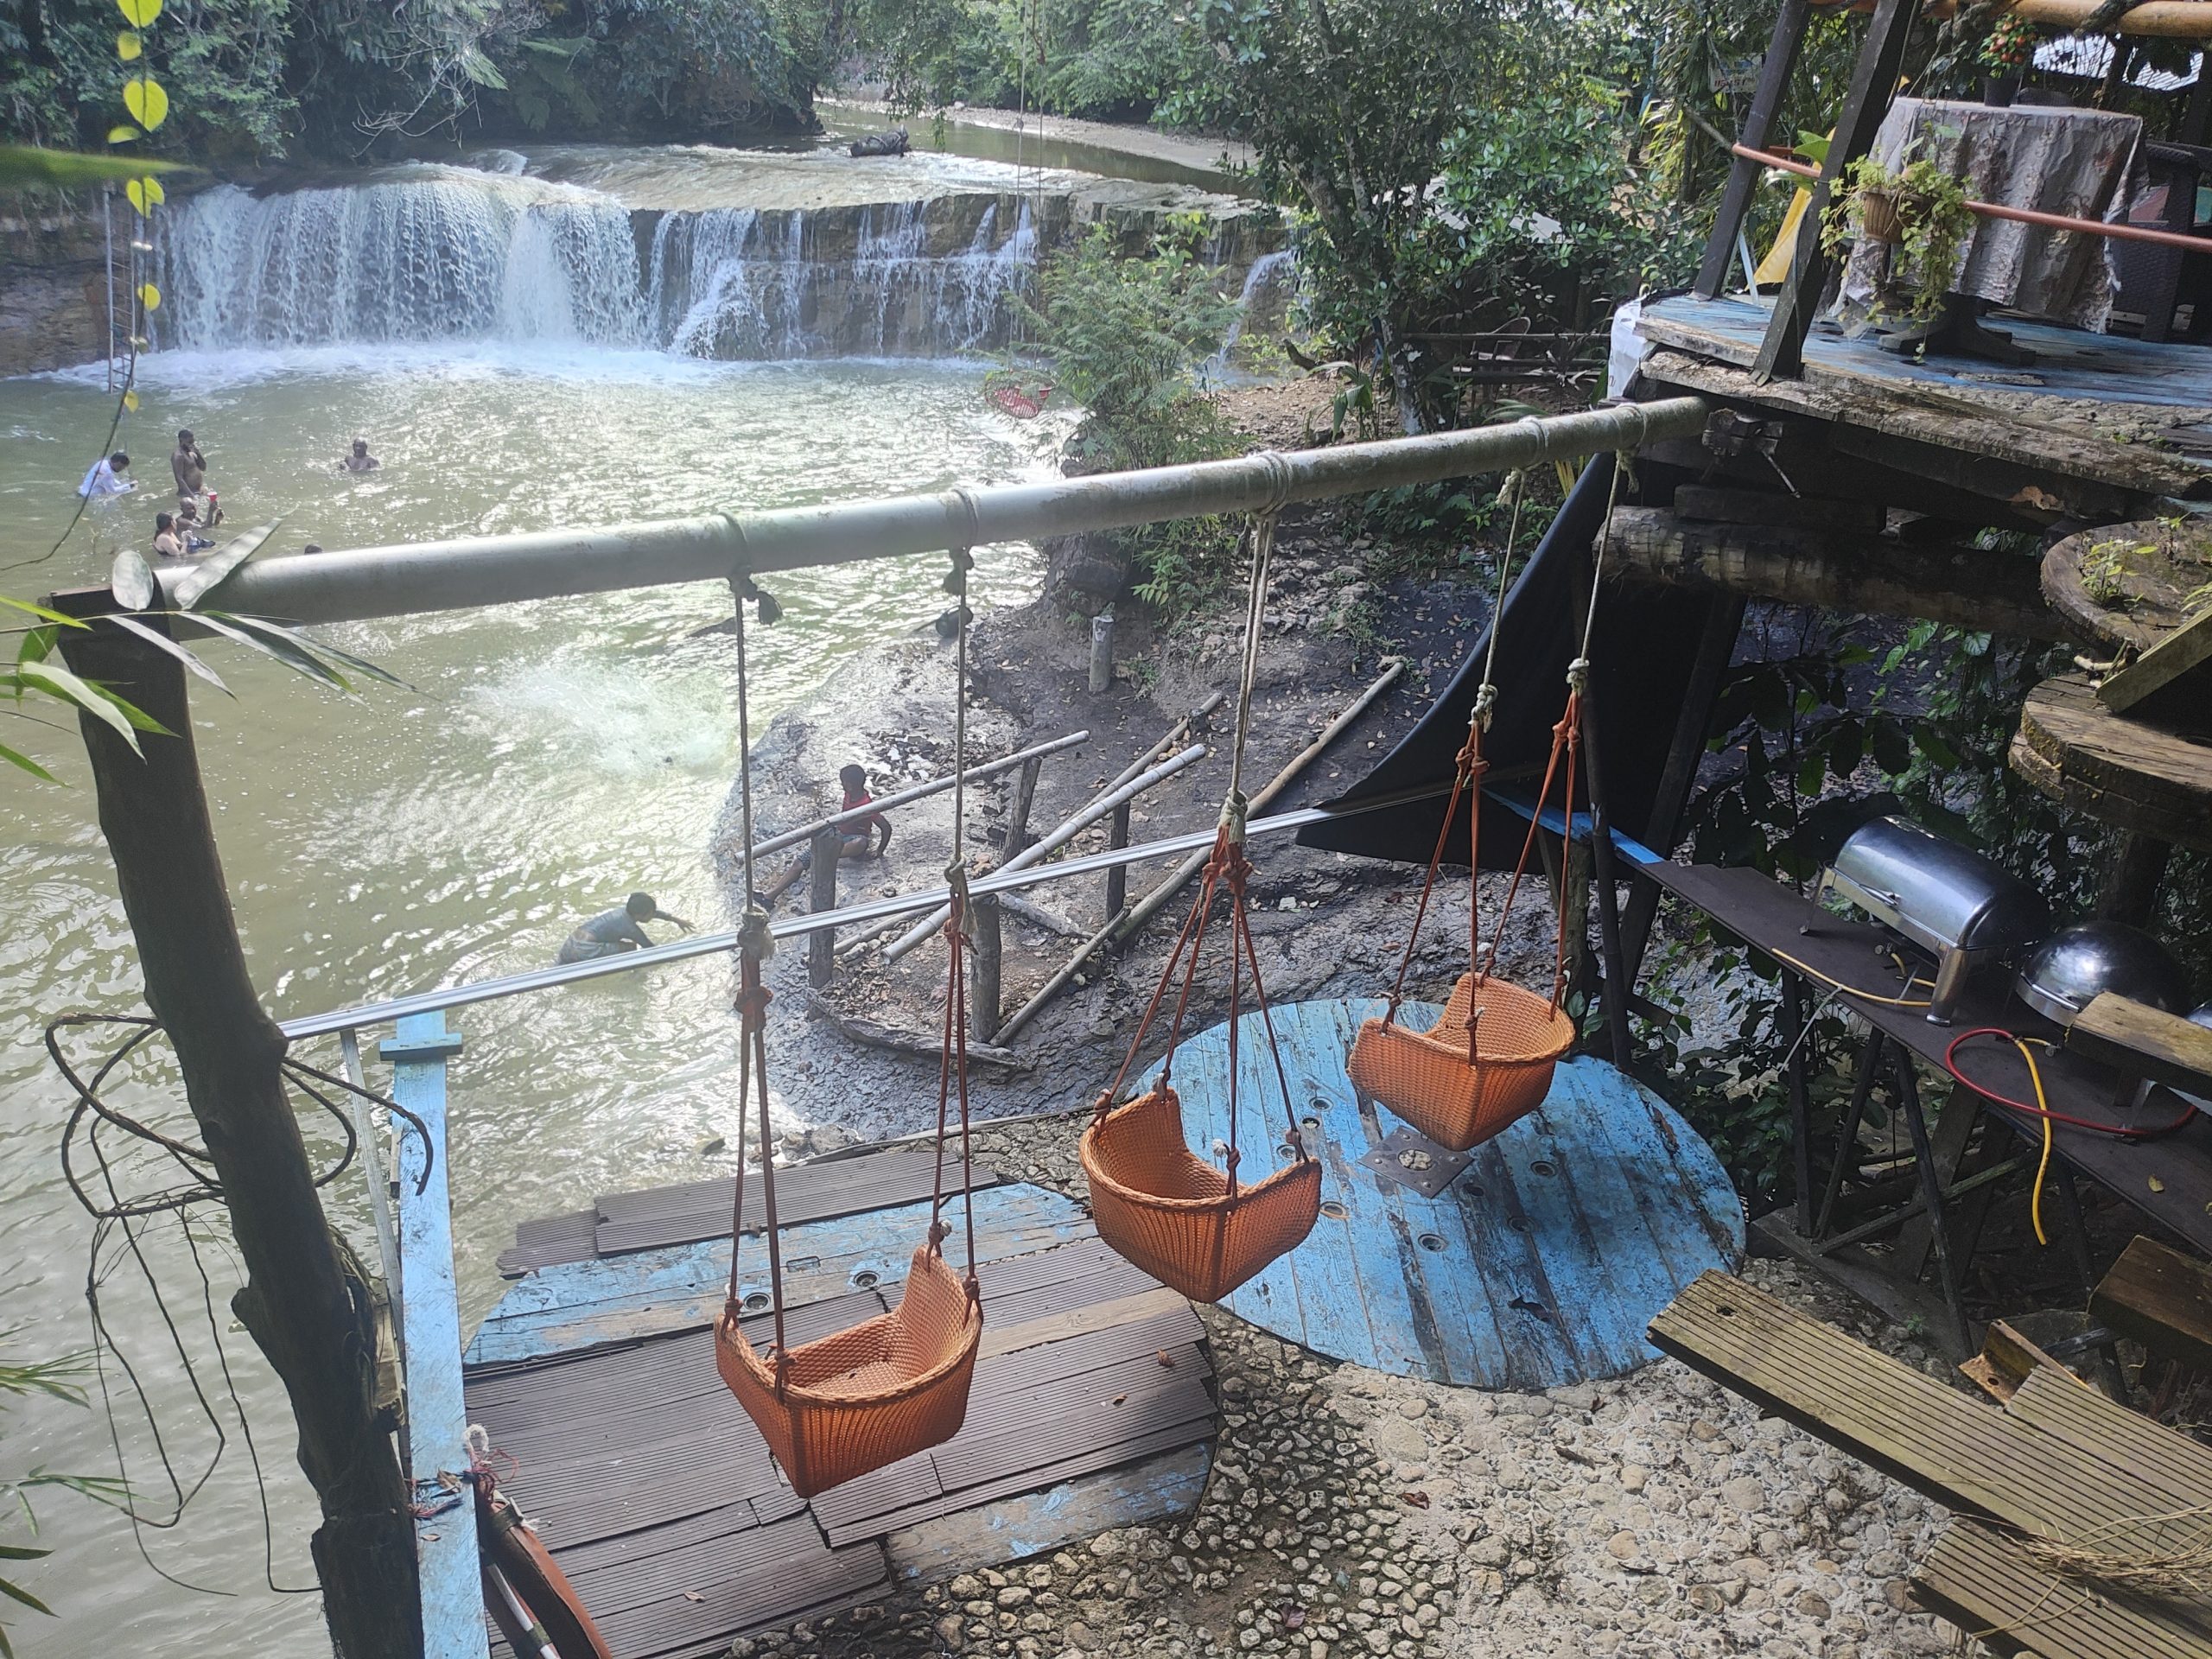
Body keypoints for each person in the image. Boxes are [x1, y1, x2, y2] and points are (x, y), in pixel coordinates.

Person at [555, 892, 695, 965]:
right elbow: (649, 947)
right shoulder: (630, 928)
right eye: (651, 914)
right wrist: (673, 959)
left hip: (571, 943)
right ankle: (633, 976)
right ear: (640, 915)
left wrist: (676, 920)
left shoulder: (624, 912)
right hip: (584, 950)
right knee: (631, 947)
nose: (653, 916)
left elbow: (654, 913)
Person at [171, 429, 207, 499]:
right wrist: (192, 496)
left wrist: (198, 453)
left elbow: (203, 468)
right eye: (189, 442)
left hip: (198, 491)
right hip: (187, 494)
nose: (192, 445)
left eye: (193, 442)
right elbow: (179, 478)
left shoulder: (192, 453)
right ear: (181, 440)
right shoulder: (178, 456)